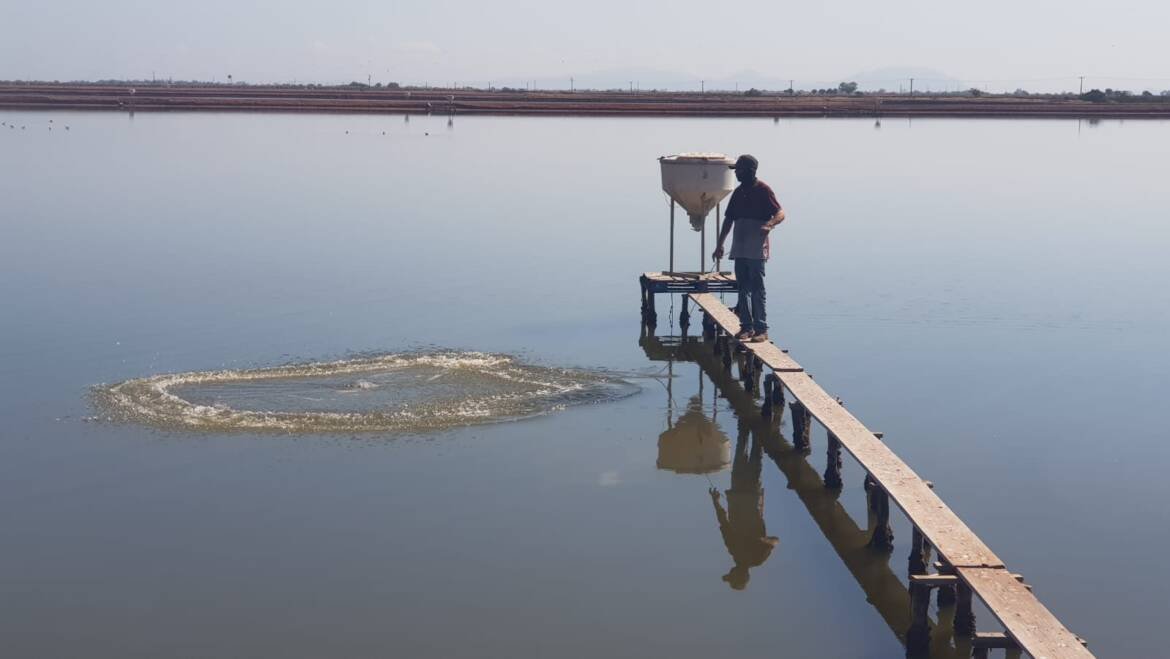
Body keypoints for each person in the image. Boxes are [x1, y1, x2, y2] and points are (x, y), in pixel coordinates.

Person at [712, 154, 785, 343]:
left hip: (756, 249)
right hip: (740, 248)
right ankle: (746, 327)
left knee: (757, 288)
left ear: (750, 171)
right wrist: (720, 245)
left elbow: (780, 213)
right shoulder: (737, 193)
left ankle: (761, 329)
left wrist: (769, 224)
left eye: (739, 170)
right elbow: (729, 219)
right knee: (743, 288)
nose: (736, 173)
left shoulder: (763, 190)